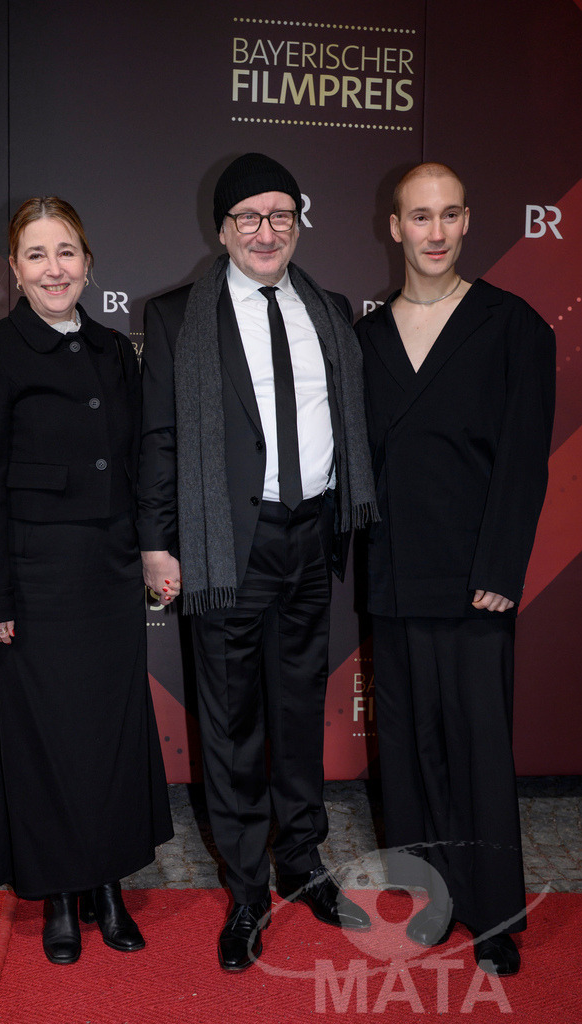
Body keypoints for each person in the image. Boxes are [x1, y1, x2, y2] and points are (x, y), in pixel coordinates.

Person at [138, 153, 378, 972]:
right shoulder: (176, 317)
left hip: (310, 535)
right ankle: (246, 890)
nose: (265, 231)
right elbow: (159, 440)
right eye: (248, 216)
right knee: (232, 723)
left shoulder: (330, 310)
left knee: (298, 712)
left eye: (280, 214)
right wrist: (156, 543)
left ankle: (302, 863)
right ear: (222, 229)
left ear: (298, 223)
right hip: (223, 545)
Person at [0, 197, 173, 965]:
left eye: (67, 252)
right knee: (46, 738)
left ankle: (107, 885)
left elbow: (141, 461)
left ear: (88, 262)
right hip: (35, 577)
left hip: (109, 572)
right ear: (13, 269)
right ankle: (55, 895)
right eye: (37, 255)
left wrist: (152, 548)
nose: (54, 269)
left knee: (109, 733)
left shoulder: (116, 350)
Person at [356, 163, 556, 976]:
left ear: (467, 221)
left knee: (477, 747)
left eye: (447, 215)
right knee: (408, 752)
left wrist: (501, 568)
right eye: (419, 216)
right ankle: (429, 898)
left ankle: (493, 913)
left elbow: (524, 460)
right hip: (393, 574)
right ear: (394, 226)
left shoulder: (513, 326)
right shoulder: (366, 338)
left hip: (477, 578)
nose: (433, 232)